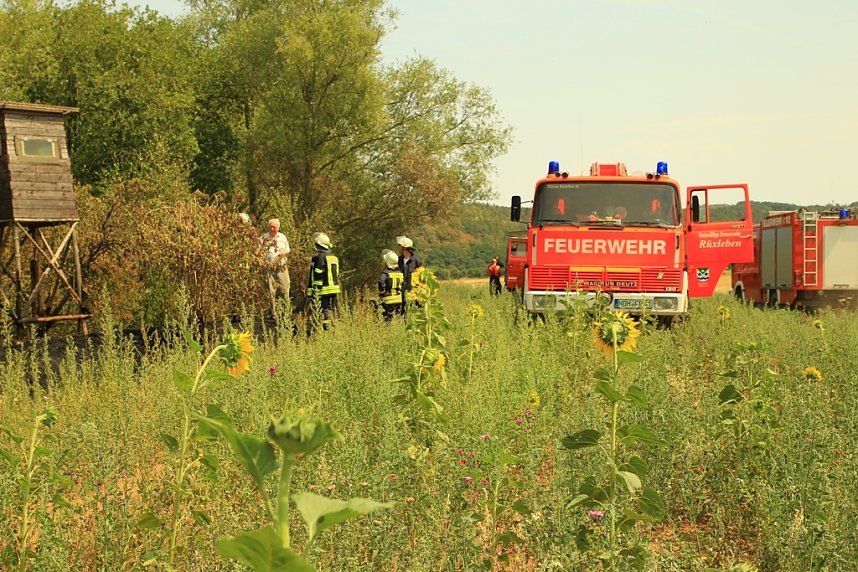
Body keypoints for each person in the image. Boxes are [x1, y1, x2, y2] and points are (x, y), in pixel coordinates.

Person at [307, 231, 340, 330]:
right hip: (334, 289)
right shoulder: (333, 257)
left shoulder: (319, 258)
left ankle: (326, 329)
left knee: (324, 309)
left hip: (323, 289)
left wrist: (315, 290)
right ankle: (332, 327)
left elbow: (318, 274)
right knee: (331, 309)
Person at [259, 218, 291, 315]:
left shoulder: (282, 237)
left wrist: (282, 254)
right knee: (270, 290)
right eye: (271, 227)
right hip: (268, 267)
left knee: (284, 288)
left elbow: (288, 250)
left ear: (278, 227)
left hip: (281, 267)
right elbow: (258, 251)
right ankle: (273, 312)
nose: (272, 229)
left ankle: (286, 312)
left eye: (274, 227)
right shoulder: (264, 237)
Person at [378, 249, 404, 321]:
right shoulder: (400, 273)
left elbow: (380, 282)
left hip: (388, 300)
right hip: (399, 299)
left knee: (388, 319)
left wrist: (382, 292)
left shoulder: (385, 274)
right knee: (398, 318)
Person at [396, 236, 422, 306]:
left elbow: (421, 279)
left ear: (404, 247)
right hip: (400, 295)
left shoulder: (416, 261)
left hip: (413, 295)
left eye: (399, 245)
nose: (397, 247)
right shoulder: (398, 260)